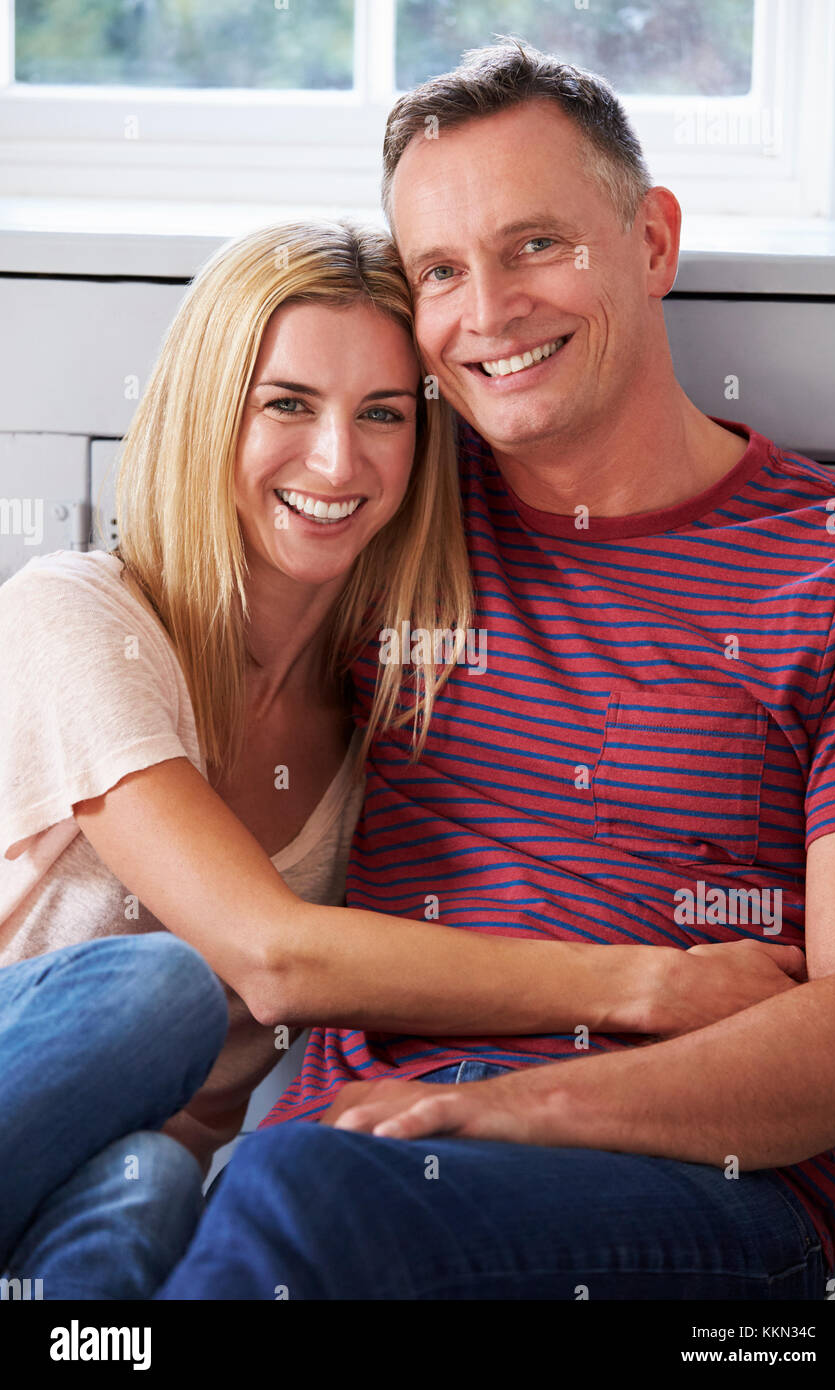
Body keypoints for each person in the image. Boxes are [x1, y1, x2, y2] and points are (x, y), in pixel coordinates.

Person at [156, 41, 835, 1302]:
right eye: (439, 270)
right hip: (349, 1150)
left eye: (536, 245)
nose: (486, 312)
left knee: (290, 1198)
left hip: (691, 1184)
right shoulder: (393, 504)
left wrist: (509, 1112)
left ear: (649, 242)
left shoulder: (833, 571)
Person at [1, 217, 786, 1300]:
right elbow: (270, 956)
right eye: (286, 403)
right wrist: (652, 983)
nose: (336, 459)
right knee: (161, 991)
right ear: (203, 411)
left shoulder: (388, 700)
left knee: (147, 1184)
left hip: (141, 1177)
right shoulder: (78, 613)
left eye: (380, 414)